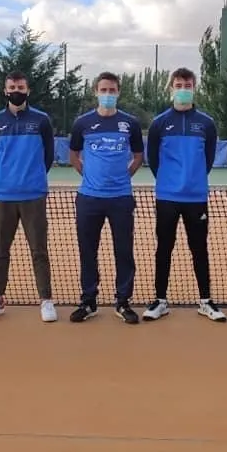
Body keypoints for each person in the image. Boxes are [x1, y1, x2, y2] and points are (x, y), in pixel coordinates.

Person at [142, 67, 225, 322]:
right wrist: (170, 181)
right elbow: (153, 160)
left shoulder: (207, 124)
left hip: (196, 198)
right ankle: (160, 301)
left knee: (199, 248)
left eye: (187, 85)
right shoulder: (159, 123)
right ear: (171, 88)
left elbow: (208, 158)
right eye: (178, 85)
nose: (183, 90)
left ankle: (205, 301)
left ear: (194, 88)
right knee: (164, 248)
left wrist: (192, 180)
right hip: (167, 197)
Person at [0, 71, 57, 323]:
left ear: (28, 90)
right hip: (3, 195)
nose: (16, 90)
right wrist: (8, 177)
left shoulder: (42, 121)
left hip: (33, 195)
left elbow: (48, 156)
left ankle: (46, 300)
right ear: (5, 90)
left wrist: (31, 178)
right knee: (0, 250)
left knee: (39, 250)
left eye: (21, 86)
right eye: (12, 86)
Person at [68, 72, 144, 324]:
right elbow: (74, 155)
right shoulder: (83, 123)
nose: (108, 94)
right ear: (95, 91)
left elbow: (138, 156)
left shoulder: (129, 123)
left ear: (118, 92)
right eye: (104, 90)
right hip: (89, 199)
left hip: (121, 198)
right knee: (87, 251)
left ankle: (123, 302)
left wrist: (124, 177)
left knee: (123, 251)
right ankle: (88, 301)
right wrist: (89, 175)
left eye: (112, 90)